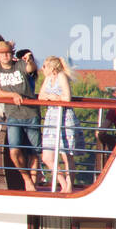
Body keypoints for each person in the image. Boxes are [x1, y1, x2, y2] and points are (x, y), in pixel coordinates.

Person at [0, 39, 40, 190]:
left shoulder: (19, 64)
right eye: (2, 54)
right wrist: (13, 95)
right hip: (12, 114)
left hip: (31, 113)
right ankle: (27, 179)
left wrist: (29, 60)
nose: (5, 56)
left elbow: (31, 69)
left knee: (34, 152)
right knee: (14, 151)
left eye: (7, 53)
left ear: (11, 54)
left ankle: (33, 186)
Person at [38, 55, 76, 192]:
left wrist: (55, 98)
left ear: (51, 67)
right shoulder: (48, 78)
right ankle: (63, 184)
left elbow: (67, 98)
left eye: (44, 66)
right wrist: (50, 97)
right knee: (47, 157)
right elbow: (41, 96)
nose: (42, 69)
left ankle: (69, 185)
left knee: (66, 155)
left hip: (64, 117)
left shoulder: (61, 76)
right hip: (51, 117)